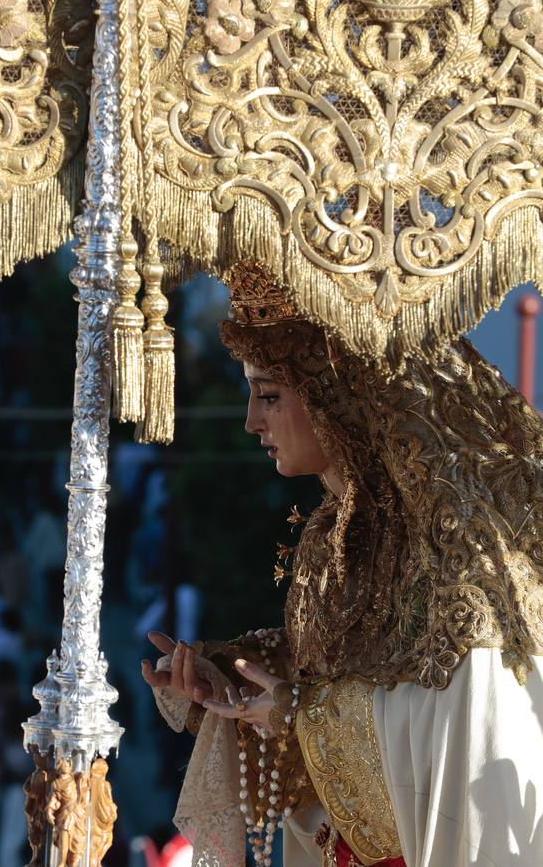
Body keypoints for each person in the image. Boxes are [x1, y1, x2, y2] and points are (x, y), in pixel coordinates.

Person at [142, 262, 543, 867]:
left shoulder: (453, 550)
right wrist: (234, 679)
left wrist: (299, 712)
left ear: (341, 395)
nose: (253, 423)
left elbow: (473, 724)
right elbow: (350, 677)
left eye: (270, 396)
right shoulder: (334, 533)